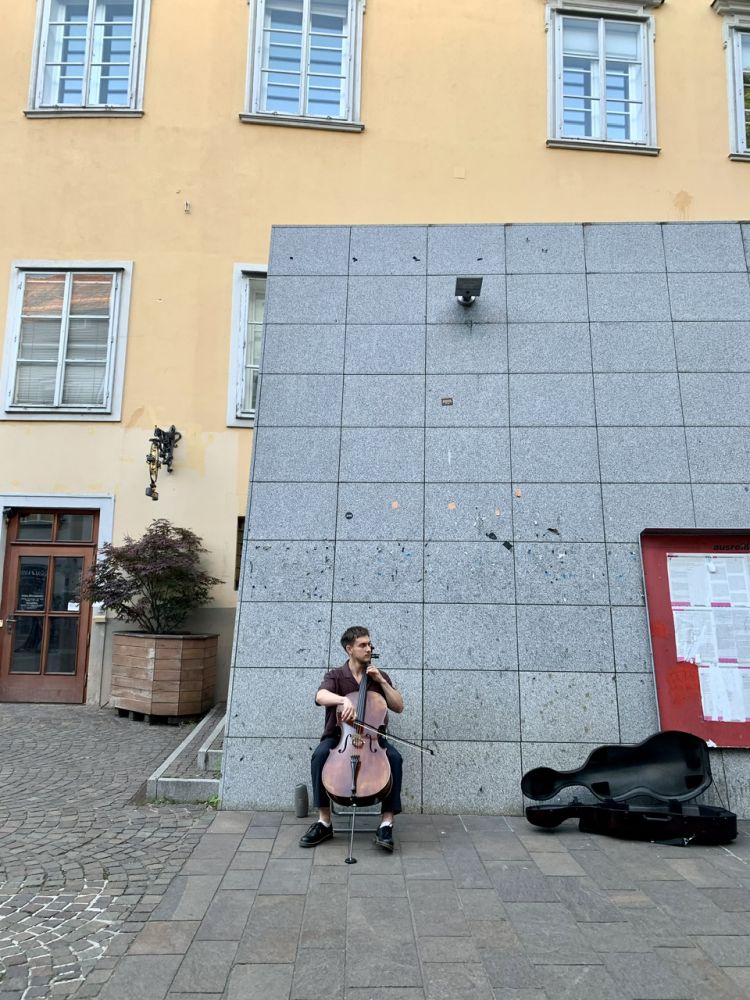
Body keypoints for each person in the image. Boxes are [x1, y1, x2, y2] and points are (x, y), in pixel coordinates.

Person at [299, 625, 404, 851]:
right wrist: (343, 700)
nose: (369, 649)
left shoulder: (378, 676)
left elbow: (398, 706)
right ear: (349, 649)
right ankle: (324, 822)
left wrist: (382, 681)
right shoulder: (336, 675)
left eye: (370, 645)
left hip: (372, 739)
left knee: (395, 759)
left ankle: (386, 824)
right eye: (363, 645)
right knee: (319, 756)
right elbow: (320, 696)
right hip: (340, 738)